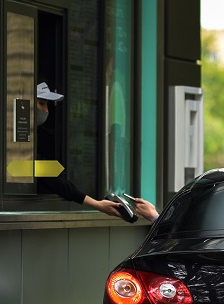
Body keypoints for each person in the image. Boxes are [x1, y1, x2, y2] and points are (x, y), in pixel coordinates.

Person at [33, 81, 159, 222]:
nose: (46, 110)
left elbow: (50, 177)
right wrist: (96, 204)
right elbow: (48, 177)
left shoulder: (45, 137)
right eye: (41, 103)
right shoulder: (23, 140)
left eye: (47, 105)